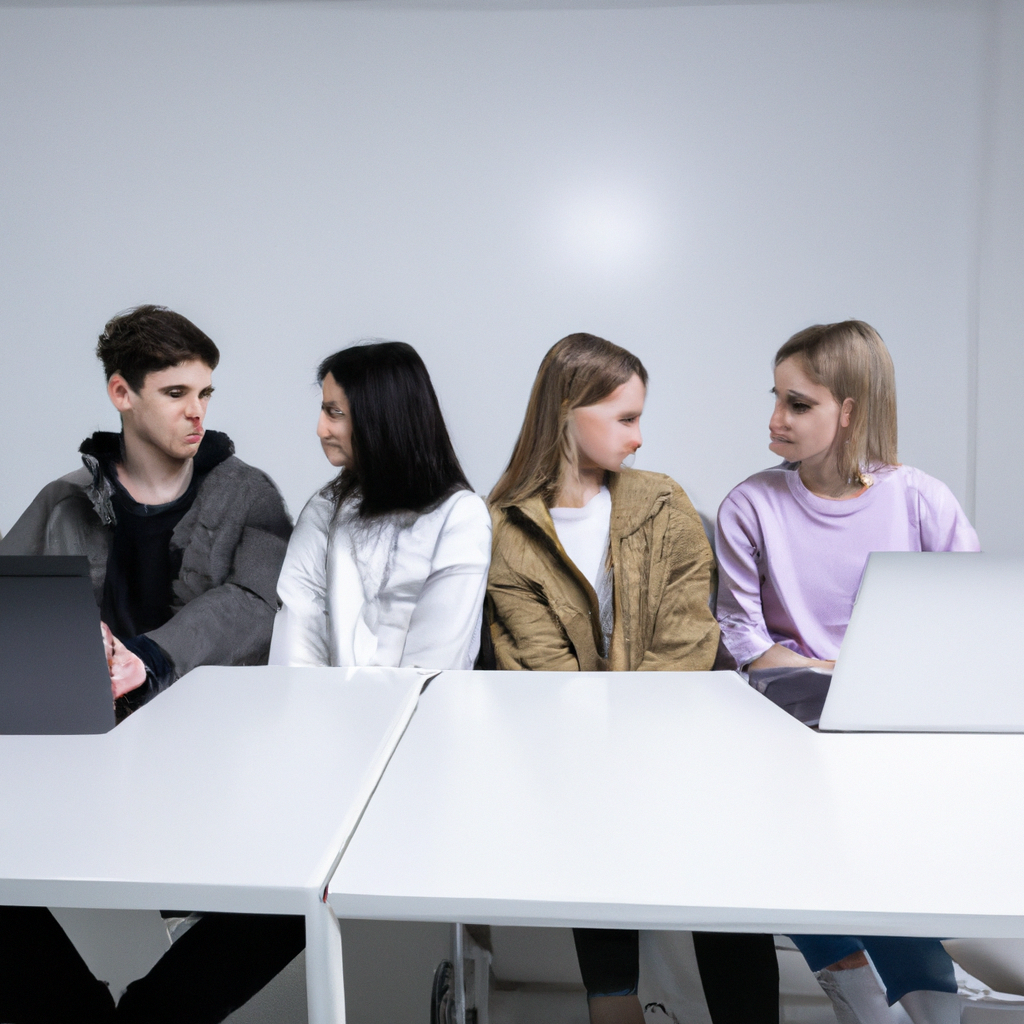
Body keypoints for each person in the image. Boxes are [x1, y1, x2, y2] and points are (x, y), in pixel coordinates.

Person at [0, 305, 297, 1024]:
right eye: (175, 394)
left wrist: (149, 657)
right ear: (122, 394)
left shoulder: (249, 494)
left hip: (211, 766)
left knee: (290, 902)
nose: (195, 413)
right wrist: (75, 642)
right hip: (81, 762)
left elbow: (256, 600)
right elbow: (10, 604)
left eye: (205, 394)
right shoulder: (63, 500)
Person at [487, 333, 780, 1024]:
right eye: (625, 418)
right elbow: (536, 670)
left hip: (684, 746)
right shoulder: (505, 528)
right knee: (590, 817)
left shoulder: (663, 502)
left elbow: (688, 637)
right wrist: (603, 749)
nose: (640, 438)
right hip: (576, 760)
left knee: (725, 886)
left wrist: (635, 740)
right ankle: (613, 1008)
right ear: (566, 409)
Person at [715, 319, 980, 1024]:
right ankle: (863, 997)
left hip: (896, 728)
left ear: (851, 411)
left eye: (798, 404)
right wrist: (829, 673)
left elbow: (965, 623)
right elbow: (741, 632)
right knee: (788, 840)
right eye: (775, 398)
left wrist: (847, 675)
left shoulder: (920, 499)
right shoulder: (750, 504)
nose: (776, 418)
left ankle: (932, 1004)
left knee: (893, 863)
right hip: (785, 726)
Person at [269, 339, 491, 669]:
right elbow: (296, 647)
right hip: (324, 715)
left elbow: (432, 667)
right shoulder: (324, 509)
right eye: (324, 410)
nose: (321, 429)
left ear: (381, 418)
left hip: (425, 716)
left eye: (336, 413)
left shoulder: (460, 516)